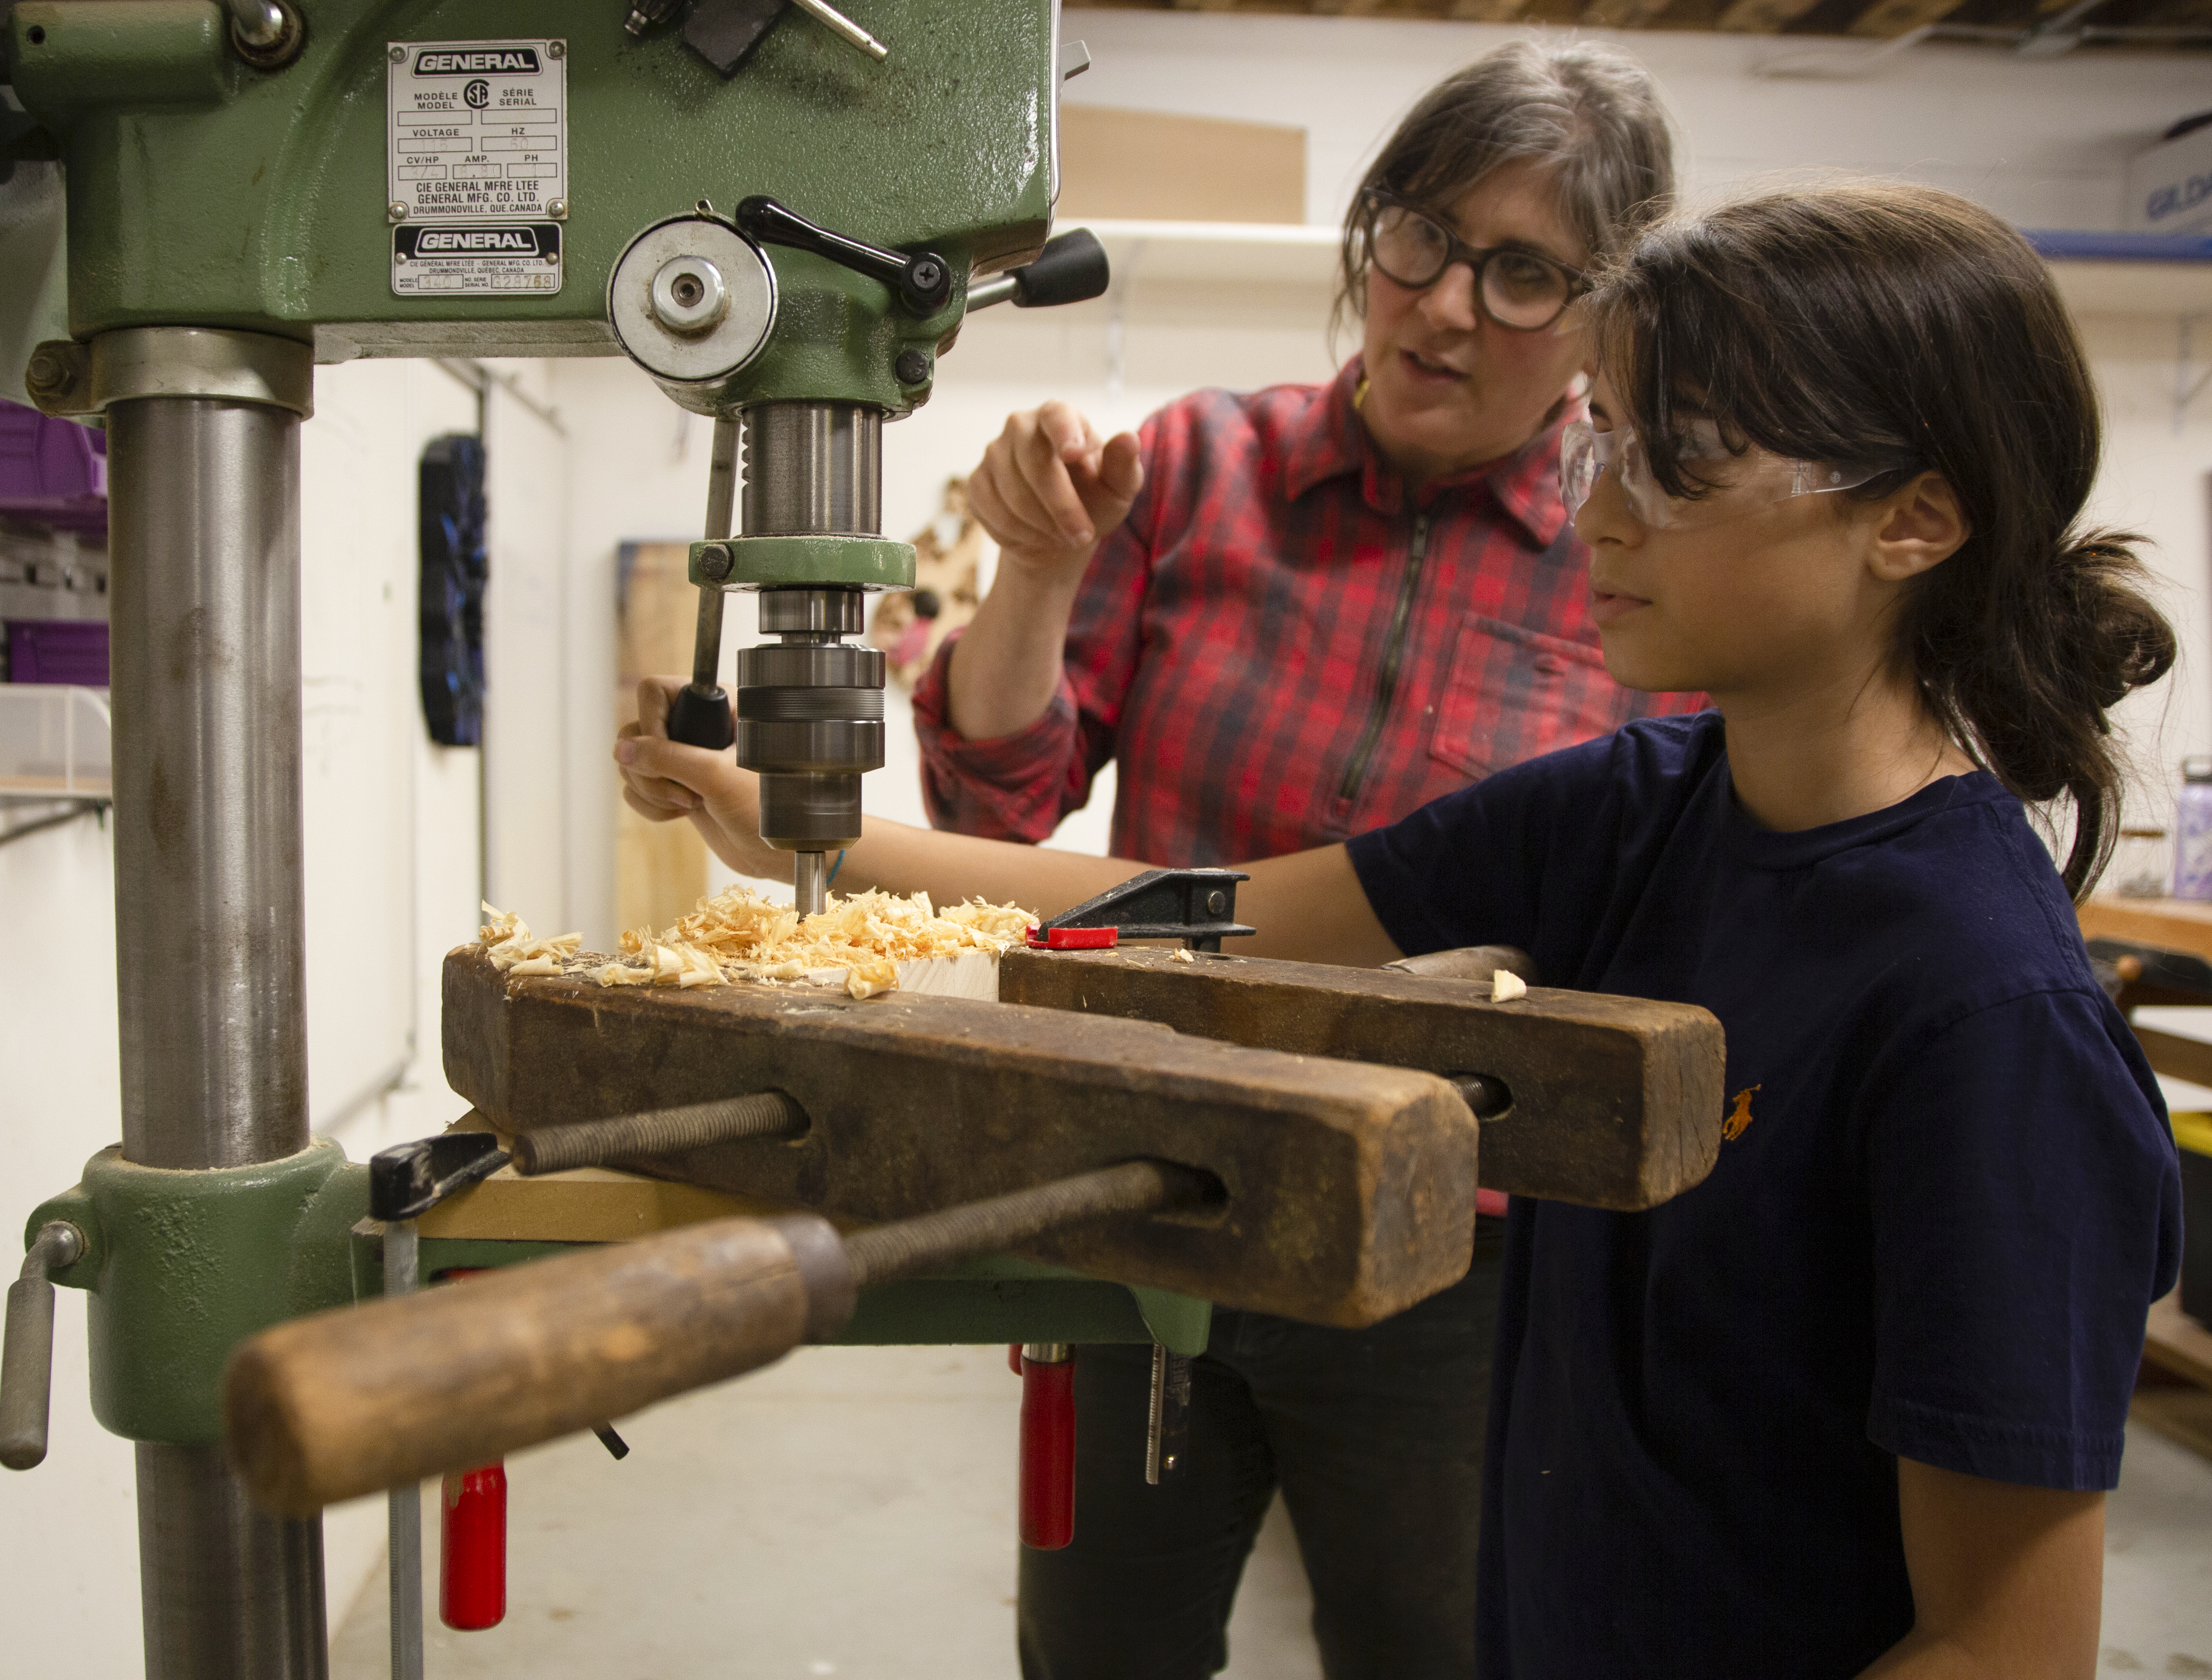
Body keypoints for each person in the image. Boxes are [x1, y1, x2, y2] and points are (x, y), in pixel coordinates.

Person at [617, 179, 2185, 1677]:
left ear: (1915, 520)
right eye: (1609, 449)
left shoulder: (1987, 1024)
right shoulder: (1634, 809)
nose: (1605, 518)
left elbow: (2004, 1647)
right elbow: (1214, 921)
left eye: (1682, 463)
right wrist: (805, 832)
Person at [913, 39, 1695, 1680]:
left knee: (1441, 1650)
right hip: (1145, 1187)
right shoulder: (1202, 471)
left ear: (1607, 314)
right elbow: (996, 805)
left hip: (1460, 1245)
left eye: (1525, 271)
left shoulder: (1630, 568)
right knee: (1102, 1651)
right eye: (1418, 235)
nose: (1445, 305)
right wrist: (1038, 577)